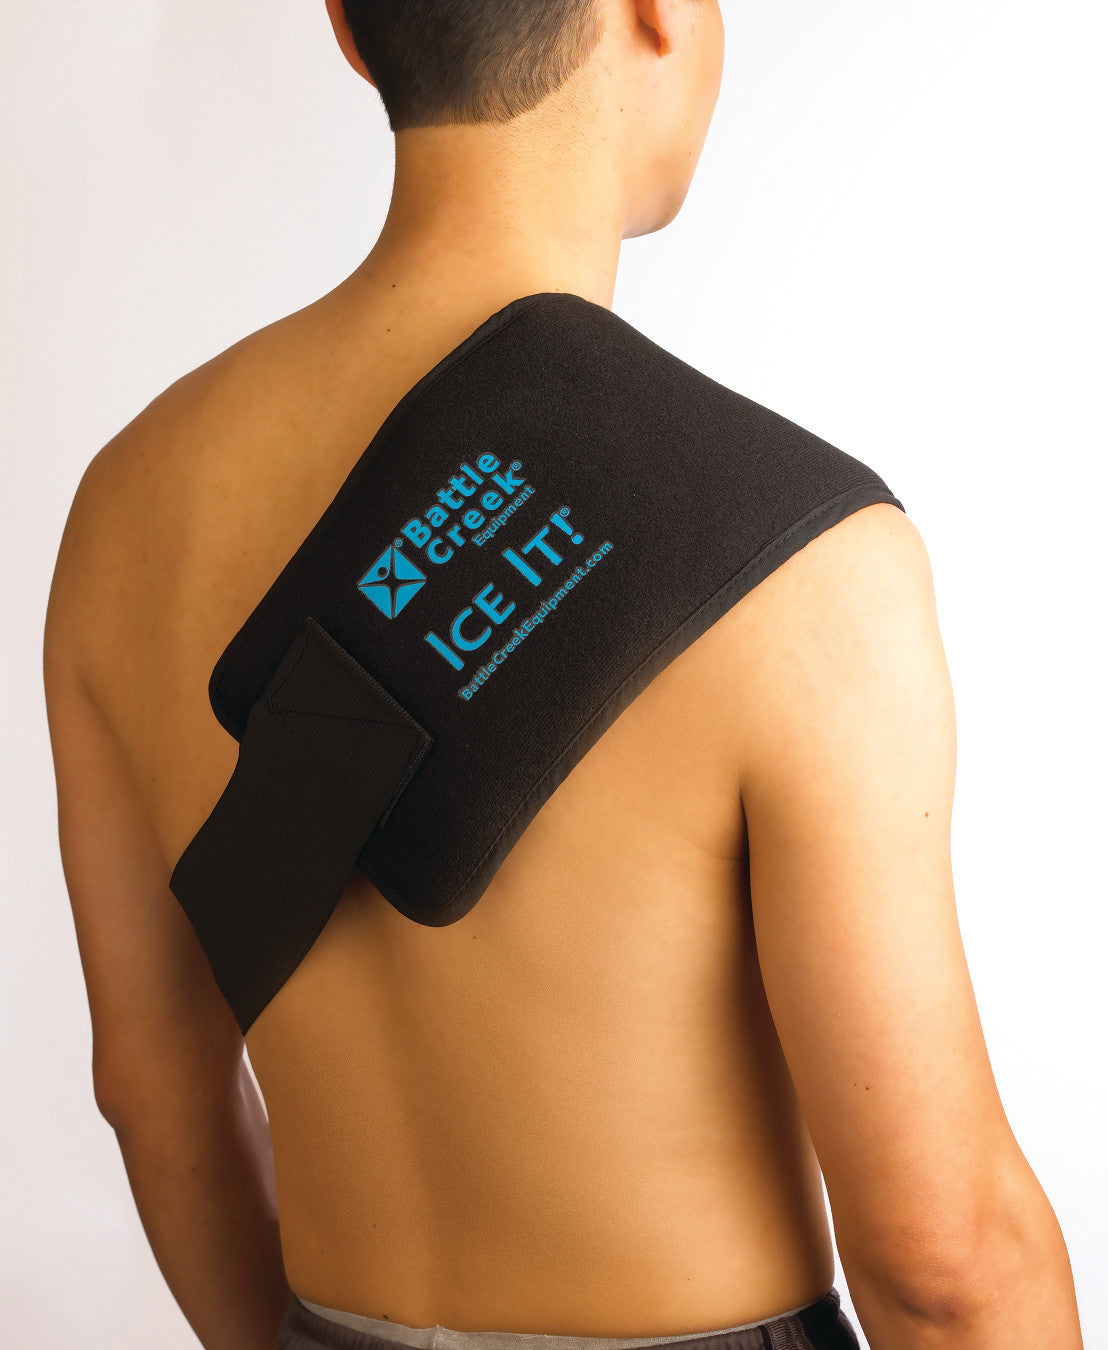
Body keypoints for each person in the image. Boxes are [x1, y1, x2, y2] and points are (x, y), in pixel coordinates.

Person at [42, 2, 1083, 1348]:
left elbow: (153, 1090)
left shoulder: (124, 512)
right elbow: (945, 1263)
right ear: (654, 11)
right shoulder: (806, 562)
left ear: (351, 28)